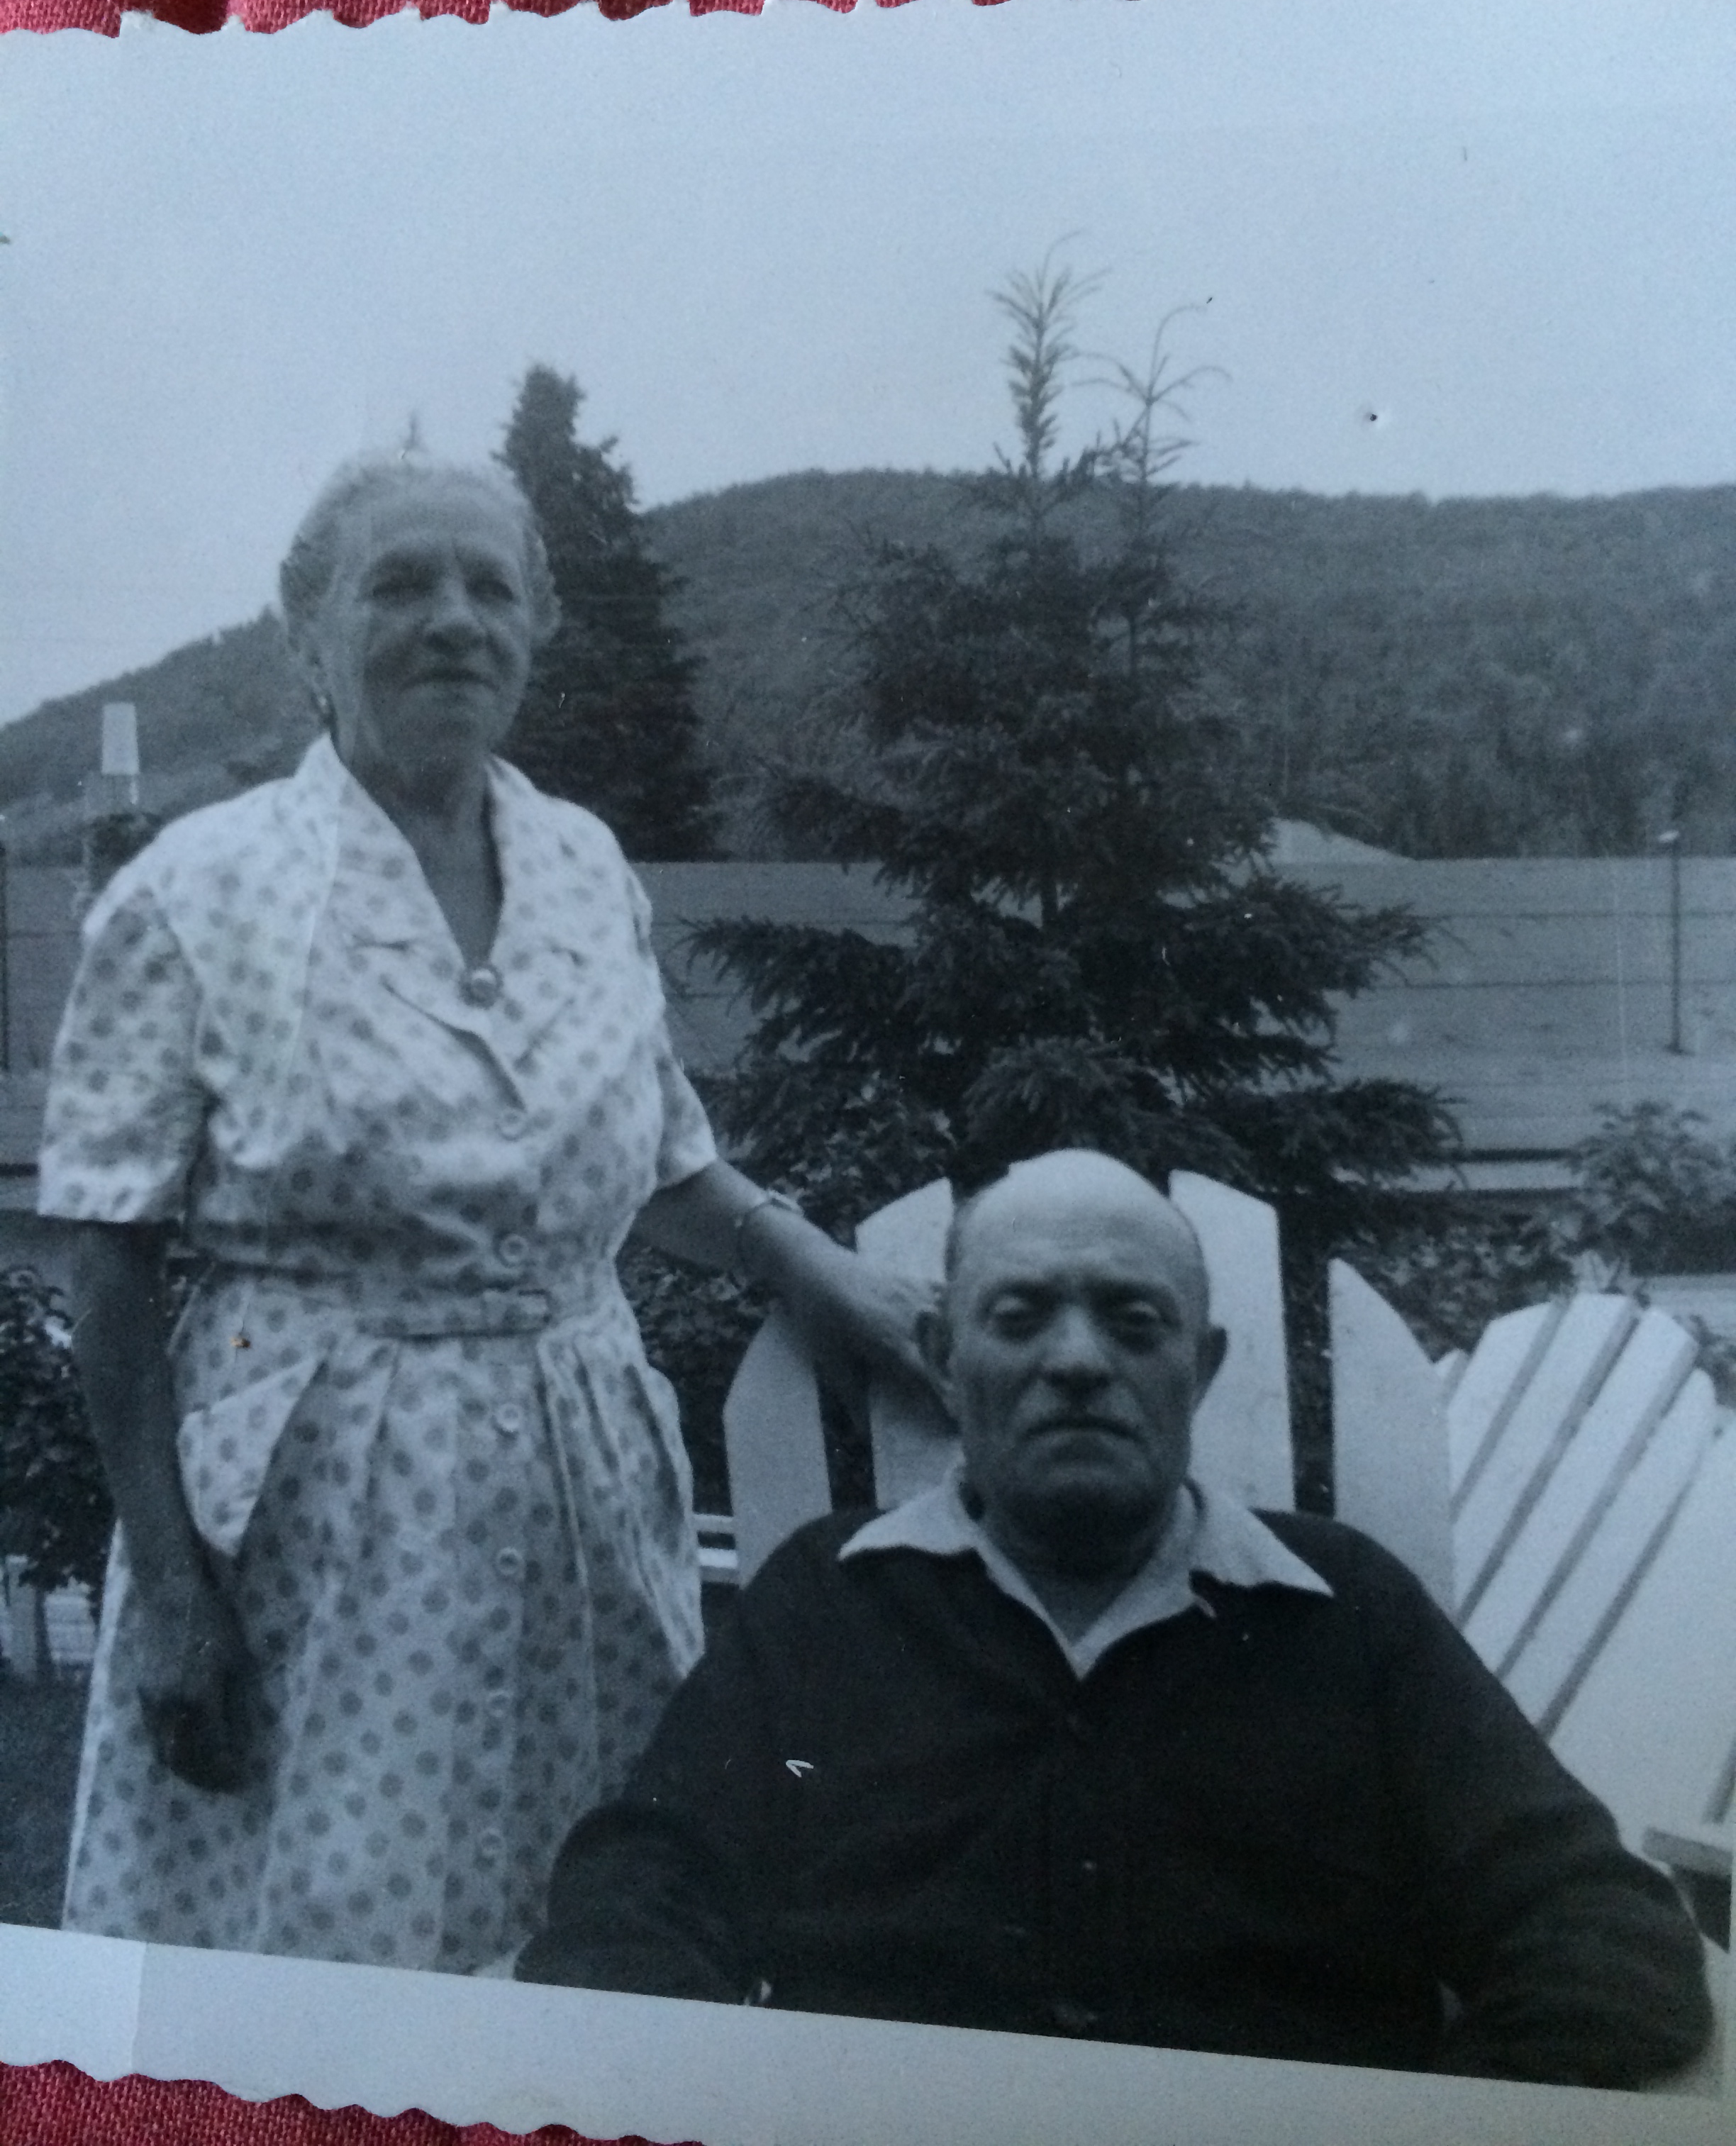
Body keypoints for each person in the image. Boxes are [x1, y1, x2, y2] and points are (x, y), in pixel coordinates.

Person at [38, 452, 929, 1974]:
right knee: (323, 1962)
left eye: (489, 586)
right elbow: (103, 1248)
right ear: (305, 630)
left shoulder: (585, 867)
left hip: (581, 1507)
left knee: (599, 1926)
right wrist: (176, 1590)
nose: (452, 620)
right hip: (318, 1529)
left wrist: (807, 1266)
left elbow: (656, 1153)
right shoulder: (197, 892)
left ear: (536, 626)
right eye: (399, 583)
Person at [518, 1148, 1714, 2088]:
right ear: (944, 1354)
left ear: (1199, 1368)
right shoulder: (830, 1600)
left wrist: (1442, 2119)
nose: (1079, 1361)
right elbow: (641, 1895)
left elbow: (1595, 1927)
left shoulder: (1345, 1614)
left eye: (1134, 1324)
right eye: (1021, 1316)